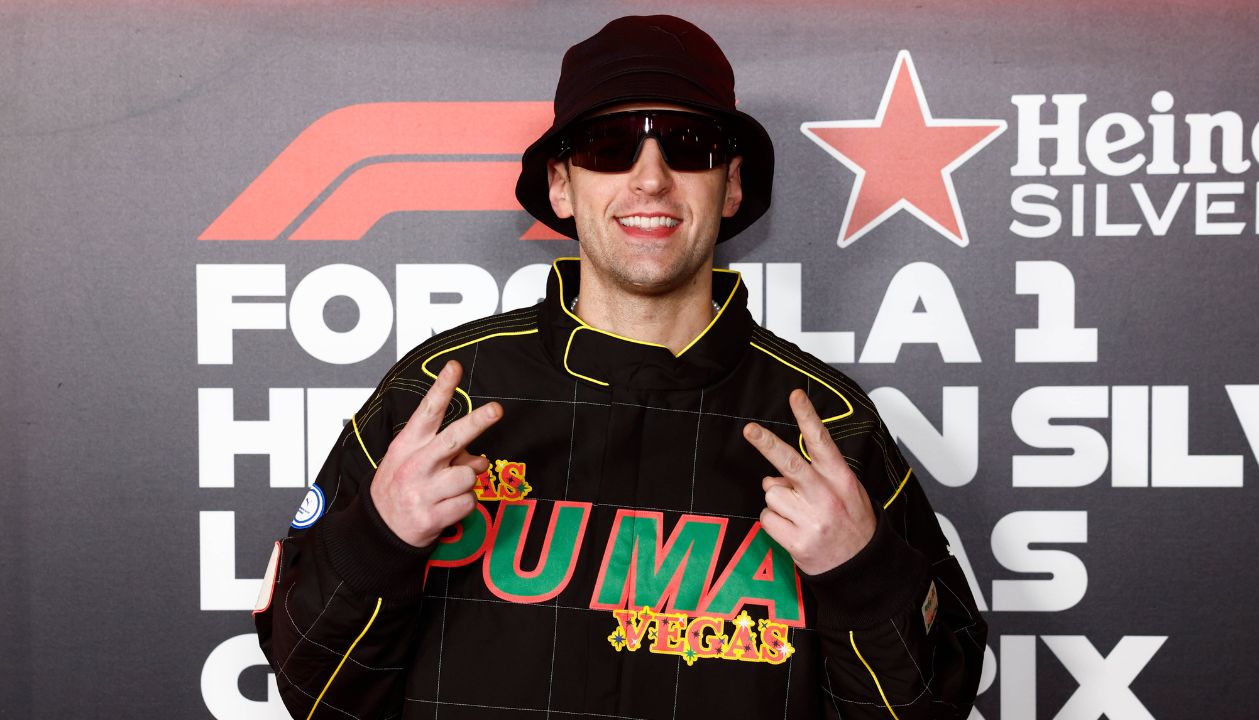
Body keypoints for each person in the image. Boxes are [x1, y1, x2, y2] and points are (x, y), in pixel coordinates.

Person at [254, 14, 986, 719]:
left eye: (688, 143)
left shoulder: (829, 427)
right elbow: (313, 694)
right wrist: (379, 540)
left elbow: (927, 708)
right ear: (561, 185)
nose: (651, 179)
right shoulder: (439, 394)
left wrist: (862, 577)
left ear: (730, 185)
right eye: (610, 145)